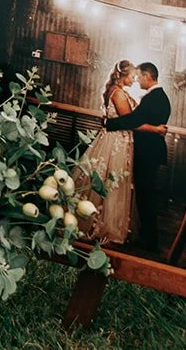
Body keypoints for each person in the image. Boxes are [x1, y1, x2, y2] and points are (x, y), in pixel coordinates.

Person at [104, 61, 171, 252]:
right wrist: (156, 129)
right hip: (149, 152)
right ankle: (148, 237)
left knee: (146, 197)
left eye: (139, 76)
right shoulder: (157, 97)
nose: (137, 80)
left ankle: (149, 240)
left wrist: (110, 124)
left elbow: (133, 120)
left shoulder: (154, 98)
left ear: (147, 77)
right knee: (145, 196)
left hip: (148, 153)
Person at [75, 60, 136, 244]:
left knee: (110, 178)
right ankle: (105, 225)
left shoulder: (120, 92)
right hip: (115, 141)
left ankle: (104, 220)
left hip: (119, 139)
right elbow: (129, 119)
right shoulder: (117, 93)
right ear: (124, 76)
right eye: (132, 77)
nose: (134, 80)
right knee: (111, 178)